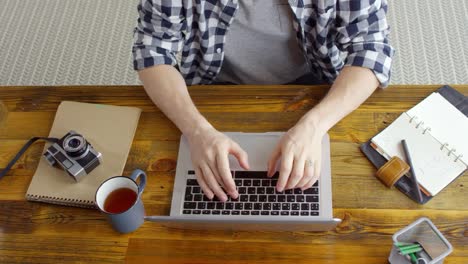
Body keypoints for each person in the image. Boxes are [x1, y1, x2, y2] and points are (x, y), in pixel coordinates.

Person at [132, 0, 394, 202]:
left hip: (313, 86)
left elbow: (372, 49)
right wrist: (196, 131)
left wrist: (313, 127)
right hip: (212, 87)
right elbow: (152, 50)